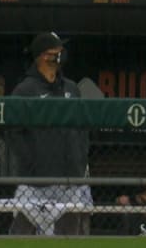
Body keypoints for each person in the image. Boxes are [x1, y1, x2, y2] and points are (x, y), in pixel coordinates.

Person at [8, 32, 92, 236]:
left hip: (70, 180)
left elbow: (82, 130)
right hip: (35, 183)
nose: (61, 54)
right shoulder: (24, 90)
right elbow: (14, 134)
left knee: (70, 232)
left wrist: (80, 160)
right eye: (56, 51)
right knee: (21, 232)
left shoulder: (71, 88)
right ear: (44, 56)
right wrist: (31, 164)